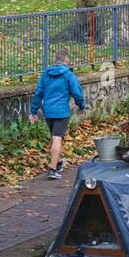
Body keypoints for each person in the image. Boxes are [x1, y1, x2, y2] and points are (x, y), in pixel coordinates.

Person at [30, 49, 86, 179]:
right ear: (66, 61)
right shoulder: (68, 75)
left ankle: (58, 162)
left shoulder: (46, 74)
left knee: (54, 137)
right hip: (61, 112)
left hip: (48, 112)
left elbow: (38, 93)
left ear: (56, 61)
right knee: (57, 138)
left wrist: (33, 111)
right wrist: (82, 105)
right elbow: (77, 93)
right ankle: (52, 169)